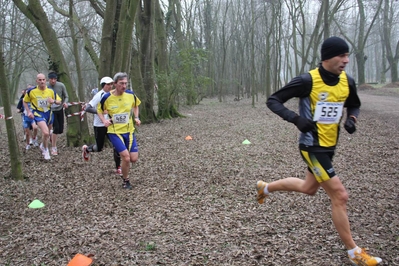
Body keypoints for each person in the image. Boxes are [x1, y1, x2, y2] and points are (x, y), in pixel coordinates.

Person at [257, 36, 382, 266]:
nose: (346, 60)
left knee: (309, 188)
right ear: (327, 57)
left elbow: (354, 103)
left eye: (347, 56)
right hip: (311, 146)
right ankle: (354, 253)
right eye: (341, 55)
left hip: (330, 145)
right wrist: (296, 119)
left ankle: (265, 188)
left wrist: (351, 118)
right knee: (340, 195)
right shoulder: (307, 80)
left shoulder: (348, 81)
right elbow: (273, 100)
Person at [92, 72, 141, 189]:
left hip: (129, 131)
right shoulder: (107, 97)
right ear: (115, 84)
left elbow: (136, 105)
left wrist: (136, 117)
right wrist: (104, 120)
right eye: (121, 83)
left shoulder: (130, 94)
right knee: (126, 157)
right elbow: (99, 110)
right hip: (114, 132)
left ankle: (124, 169)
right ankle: (126, 180)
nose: (124, 86)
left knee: (133, 158)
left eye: (125, 83)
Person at [81, 76, 121, 174]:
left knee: (117, 145)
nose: (110, 86)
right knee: (99, 148)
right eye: (108, 84)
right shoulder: (99, 95)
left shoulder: (113, 94)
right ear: (103, 85)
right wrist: (101, 112)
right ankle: (87, 149)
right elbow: (87, 108)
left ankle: (118, 167)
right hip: (99, 125)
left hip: (111, 124)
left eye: (111, 84)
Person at [23, 73, 61, 160]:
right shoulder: (31, 91)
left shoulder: (50, 91)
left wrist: (53, 101)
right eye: (40, 80)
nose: (42, 81)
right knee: (46, 132)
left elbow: (59, 101)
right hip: (38, 113)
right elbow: (24, 101)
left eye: (43, 80)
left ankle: (43, 145)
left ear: (46, 80)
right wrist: (29, 112)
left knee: (47, 133)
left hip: (49, 113)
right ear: (37, 81)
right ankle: (46, 150)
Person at [47, 72, 69, 156]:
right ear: (49, 79)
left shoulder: (61, 85)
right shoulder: (45, 86)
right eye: (51, 79)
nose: (53, 81)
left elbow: (66, 96)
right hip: (50, 110)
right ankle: (54, 148)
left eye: (55, 79)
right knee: (56, 128)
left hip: (59, 109)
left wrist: (65, 103)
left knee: (60, 130)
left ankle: (51, 133)